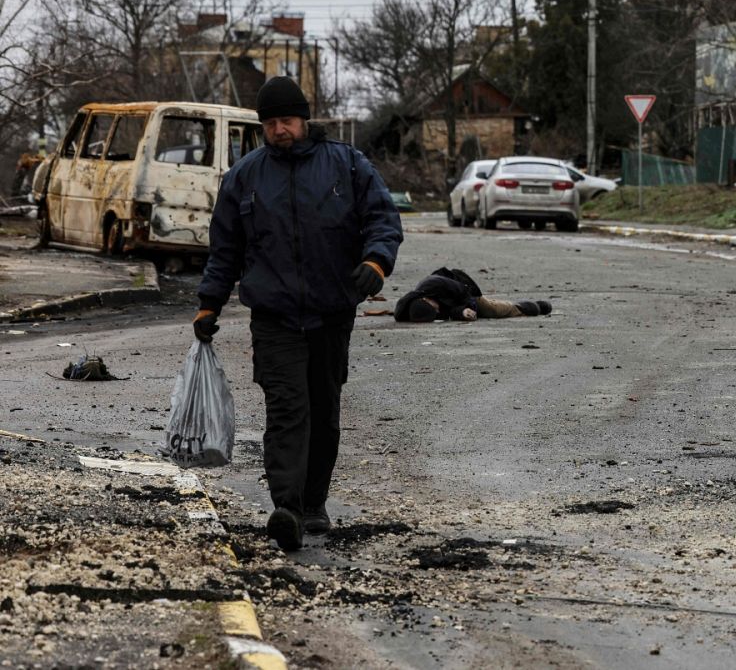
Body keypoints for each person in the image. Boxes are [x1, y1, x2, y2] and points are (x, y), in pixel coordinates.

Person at [194, 76, 403, 552]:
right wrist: (209, 303)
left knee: (324, 410)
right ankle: (285, 507)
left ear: (304, 119)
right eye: (269, 123)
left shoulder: (346, 165)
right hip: (274, 316)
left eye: (285, 120)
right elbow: (225, 249)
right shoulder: (246, 177)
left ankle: (313, 504)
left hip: (332, 312)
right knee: (287, 410)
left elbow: (382, 219)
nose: (278, 130)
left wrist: (376, 262)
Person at [394, 266, 552, 322]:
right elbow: (445, 311)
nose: (437, 312)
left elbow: (465, 294)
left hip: (465, 288)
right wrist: (461, 313)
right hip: (453, 302)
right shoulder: (411, 309)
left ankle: (533, 307)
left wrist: (470, 308)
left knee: (492, 310)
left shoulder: (436, 284)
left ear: (427, 300)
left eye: (435, 309)